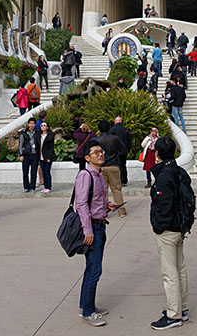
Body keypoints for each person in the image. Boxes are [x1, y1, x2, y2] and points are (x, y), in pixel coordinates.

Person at [75, 139, 120, 327]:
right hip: (93, 228)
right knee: (94, 269)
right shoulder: (86, 175)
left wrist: (106, 206)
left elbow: (94, 200)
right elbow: (81, 204)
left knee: (92, 268)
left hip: (100, 223)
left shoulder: (98, 173)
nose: (100, 154)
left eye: (101, 151)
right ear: (87, 157)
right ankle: (88, 312)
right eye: (96, 152)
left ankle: (86, 304)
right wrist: (88, 230)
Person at [149, 136, 192, 330]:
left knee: (170, 272)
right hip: (180, 226)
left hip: (168, 229)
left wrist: (159, 226)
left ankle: (174, 315)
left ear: (156, 153)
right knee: (180, 268)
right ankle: (181, 308)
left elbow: (164, 205)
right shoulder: (179, 171)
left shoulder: (165, 175)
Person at [96, 120, 127, 217]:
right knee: (116, 189)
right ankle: (121, 211)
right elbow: (123, 149)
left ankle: (104, 210)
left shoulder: (96, 140)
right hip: (113, 165)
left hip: (101, 166)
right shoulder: (115, 139)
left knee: (102, 190)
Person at [109, 117, 131, 185]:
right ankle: (124, 180)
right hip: (124, 151)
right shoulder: (126, 130)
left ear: (115, 121)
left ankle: (117, 180)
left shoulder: (112, 130)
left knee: (116, 166)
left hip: (115, 152)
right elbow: (129, 142)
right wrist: (127, 150)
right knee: (123, 165)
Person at [18, 118, 38, 192]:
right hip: (26, 155)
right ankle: (26, 187)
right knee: (25, 172)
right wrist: (20, 155)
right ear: (28, 124)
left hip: (34, 154)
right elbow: (20, 144)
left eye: (33, 123)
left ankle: (32, 187)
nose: (31, 125)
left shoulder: (37, 132)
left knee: (33, 172)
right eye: (30, 123)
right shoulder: (24, 133)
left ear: (35, 124)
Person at [36, 122, 55, 193]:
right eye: (41, 125)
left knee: (47, 172)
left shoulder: (50, 135)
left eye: (44, 125)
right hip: (41, 156)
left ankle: (49, 187)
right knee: (43, 172)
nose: (43, 127)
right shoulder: (39, 135)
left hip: (47, 156)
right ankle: (45, 187)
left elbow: (51, 147)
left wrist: (49, 157)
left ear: (47, 127)